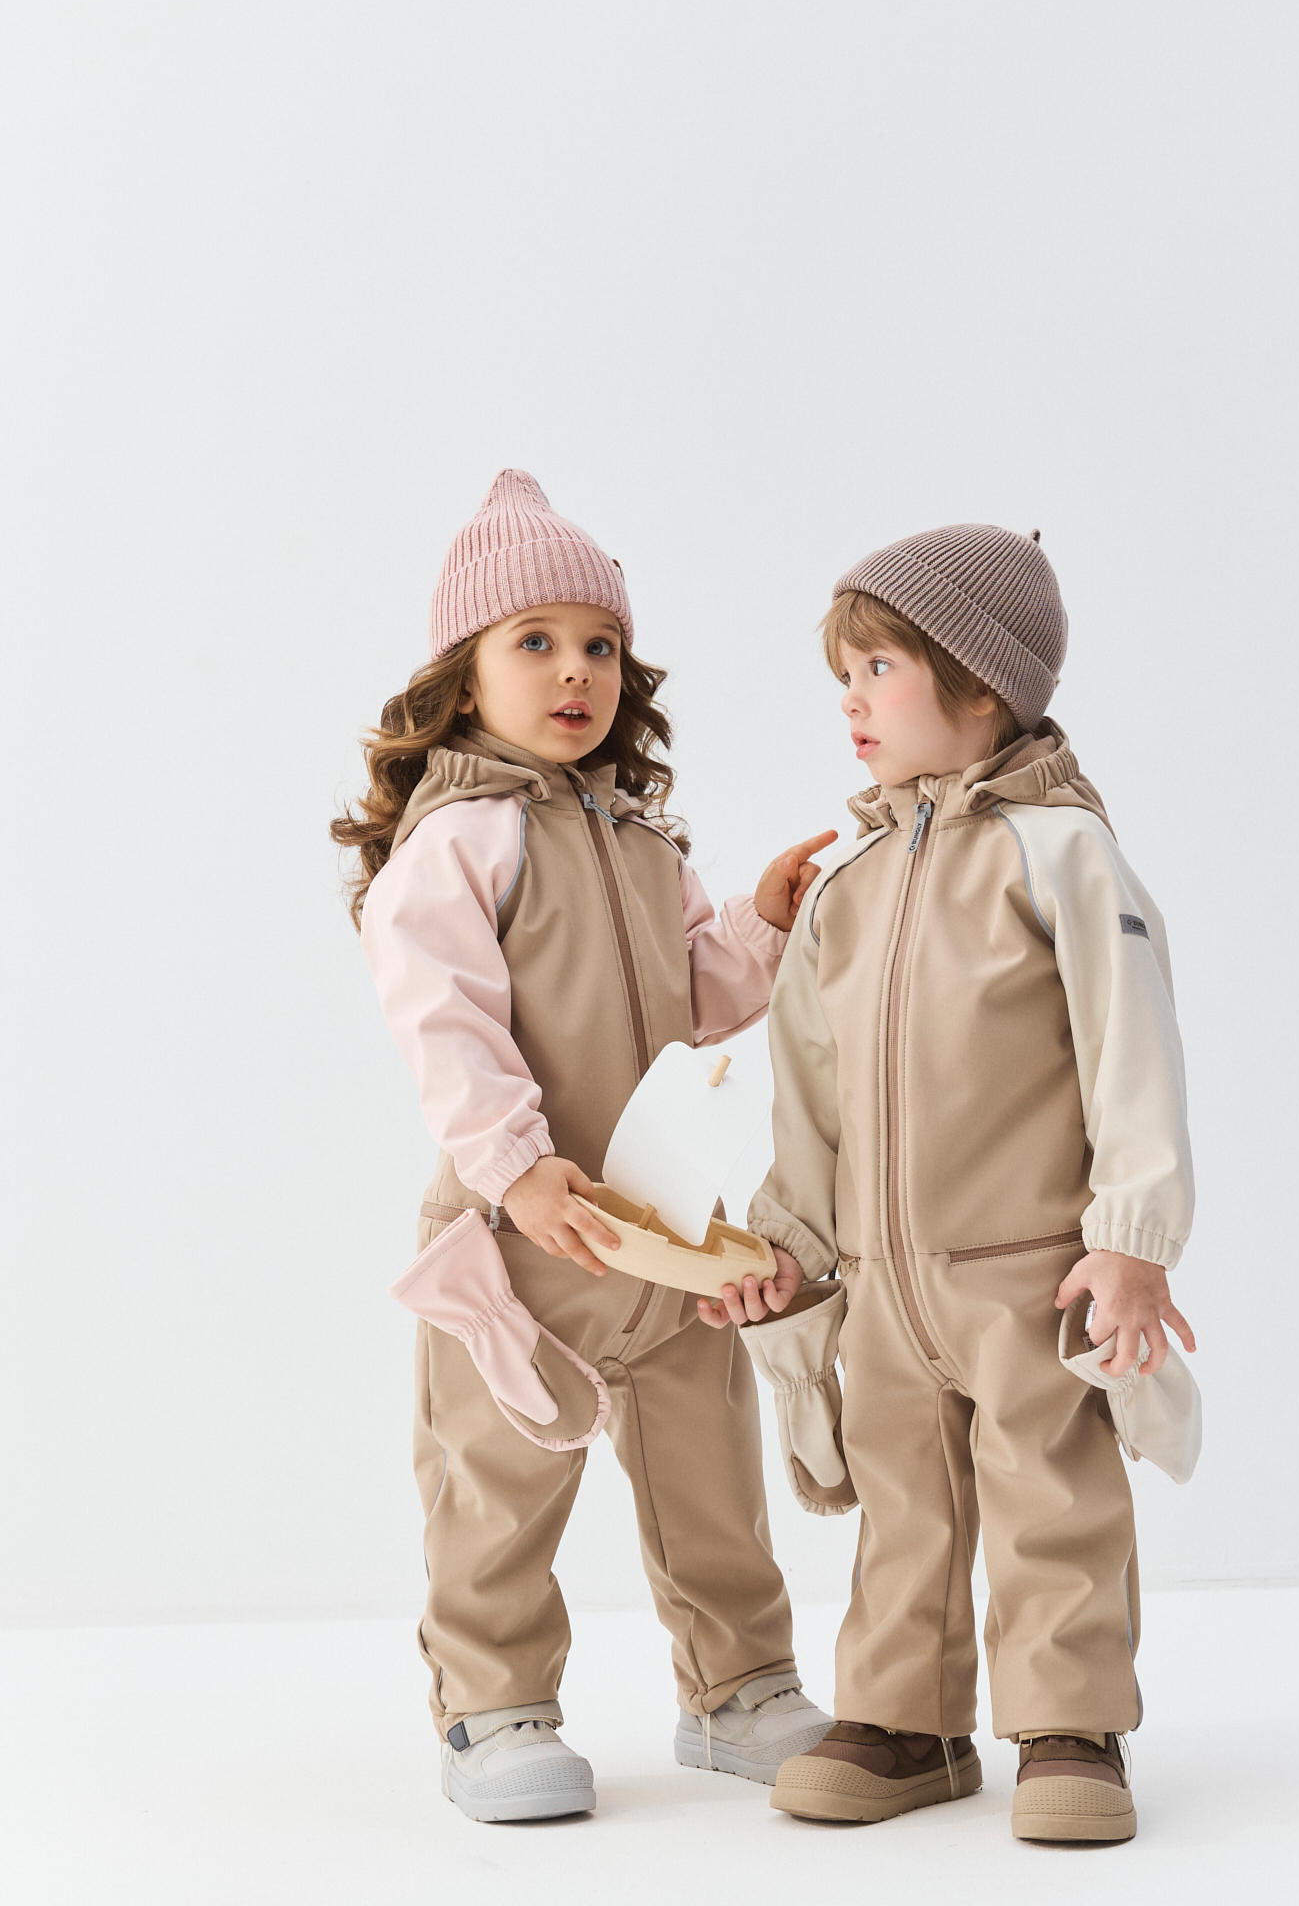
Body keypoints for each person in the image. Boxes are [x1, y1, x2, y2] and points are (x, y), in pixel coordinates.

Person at [334, 468, 835, 1822]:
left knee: (709, 1468)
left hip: (660, 1230)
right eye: (537, 642)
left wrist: (762, 923)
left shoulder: (640, 838)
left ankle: (741, 1688)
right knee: (497, 1482)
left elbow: (694, 993)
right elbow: (443, 1018)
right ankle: (492, 1706)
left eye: (602, 645)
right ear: (464, 676)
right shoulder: (458, 841)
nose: (577, 672)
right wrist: (515, 1166)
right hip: (521, 1238)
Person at [699, 522, 1196, 1843]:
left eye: (877, 669)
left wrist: (1133, 1235)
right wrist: (789, 1248)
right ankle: (903, 1722)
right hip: (883, 1284)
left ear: (979, 685)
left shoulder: (1065, 854)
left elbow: (1132, 1048)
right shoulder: (845, 886)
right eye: (843, 676)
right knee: (902, 1501)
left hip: (1032, 1273)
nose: (850, 702)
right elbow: (807, 1093)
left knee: (1051, 1491)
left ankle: (1069, 1722)